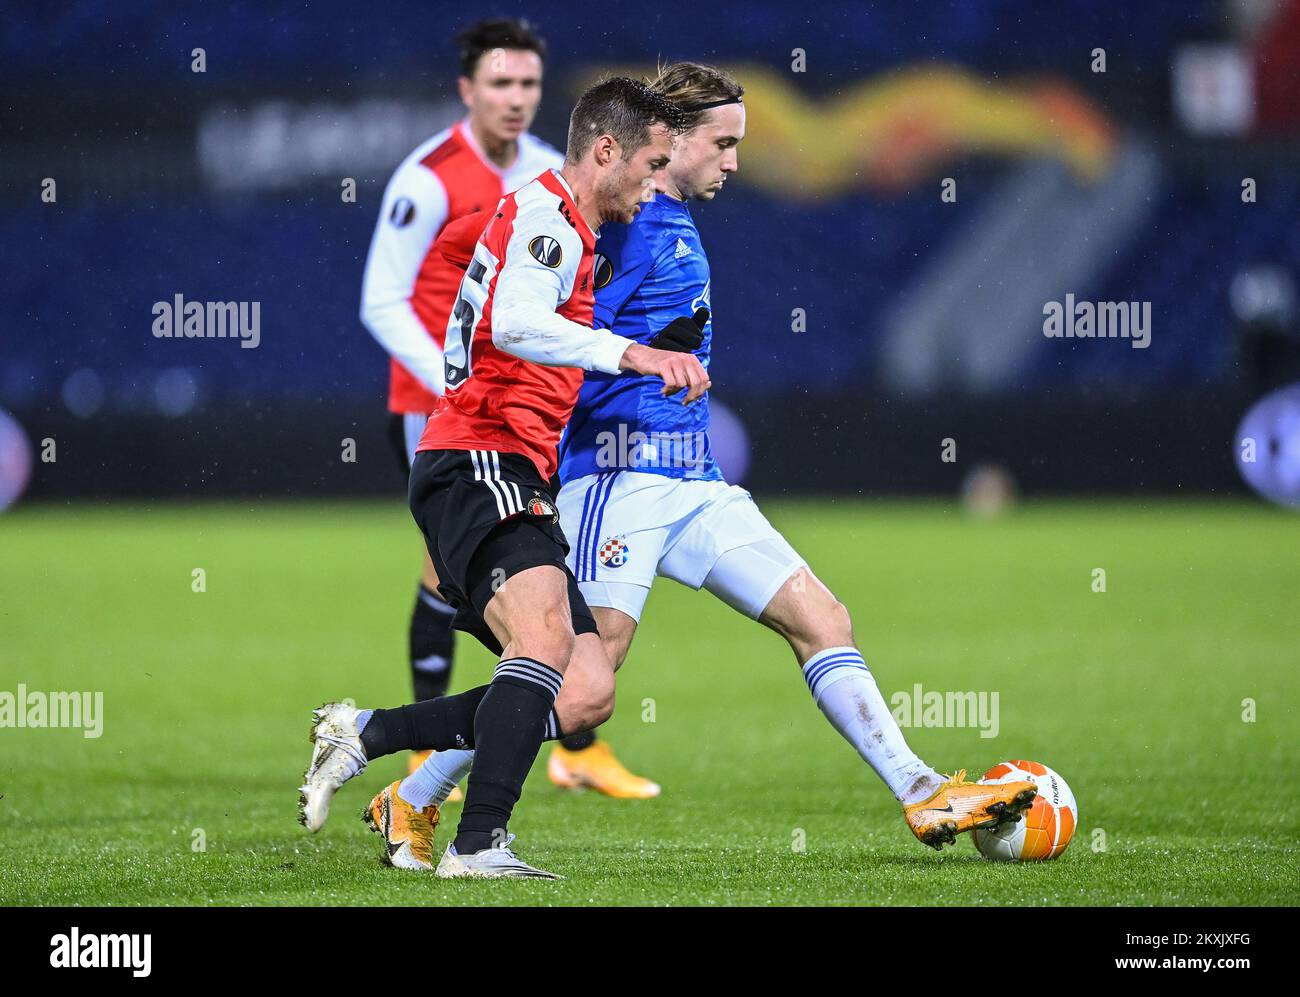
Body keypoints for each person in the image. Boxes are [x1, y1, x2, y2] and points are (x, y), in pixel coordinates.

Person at [409, 63, 1038, 852]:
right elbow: (548, 332)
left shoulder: (663, 218)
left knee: (821, 617)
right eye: (724, 143)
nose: (735, 162)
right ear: (667, 148)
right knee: (577, 689)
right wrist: (621, 367)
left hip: (697, 482)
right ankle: (415, 789)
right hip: (620, 478)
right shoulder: (621, 226)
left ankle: (919, 787)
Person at [301, 78, 702, 879]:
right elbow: (517, 321)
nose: (657, 184)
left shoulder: (566, 224)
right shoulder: (550, 220)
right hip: (478, 456)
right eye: (653, 164)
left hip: (510, 466)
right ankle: (478, 841)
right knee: (547, 641)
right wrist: (632, 353)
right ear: (606, 150)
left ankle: (368, 732)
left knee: (585, 686)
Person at [359, 18, 656, 799]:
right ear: (468, 90)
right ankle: (431, 756)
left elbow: (481, 256)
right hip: (449, 405)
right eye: (500, 83)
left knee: (523, 594)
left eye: (528, 84)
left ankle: (536, 739)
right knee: (469, 578)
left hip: (517, 408)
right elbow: (382, 299)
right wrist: (456, 367)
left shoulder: (544, 177)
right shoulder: (426, 176)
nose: (516, 98)